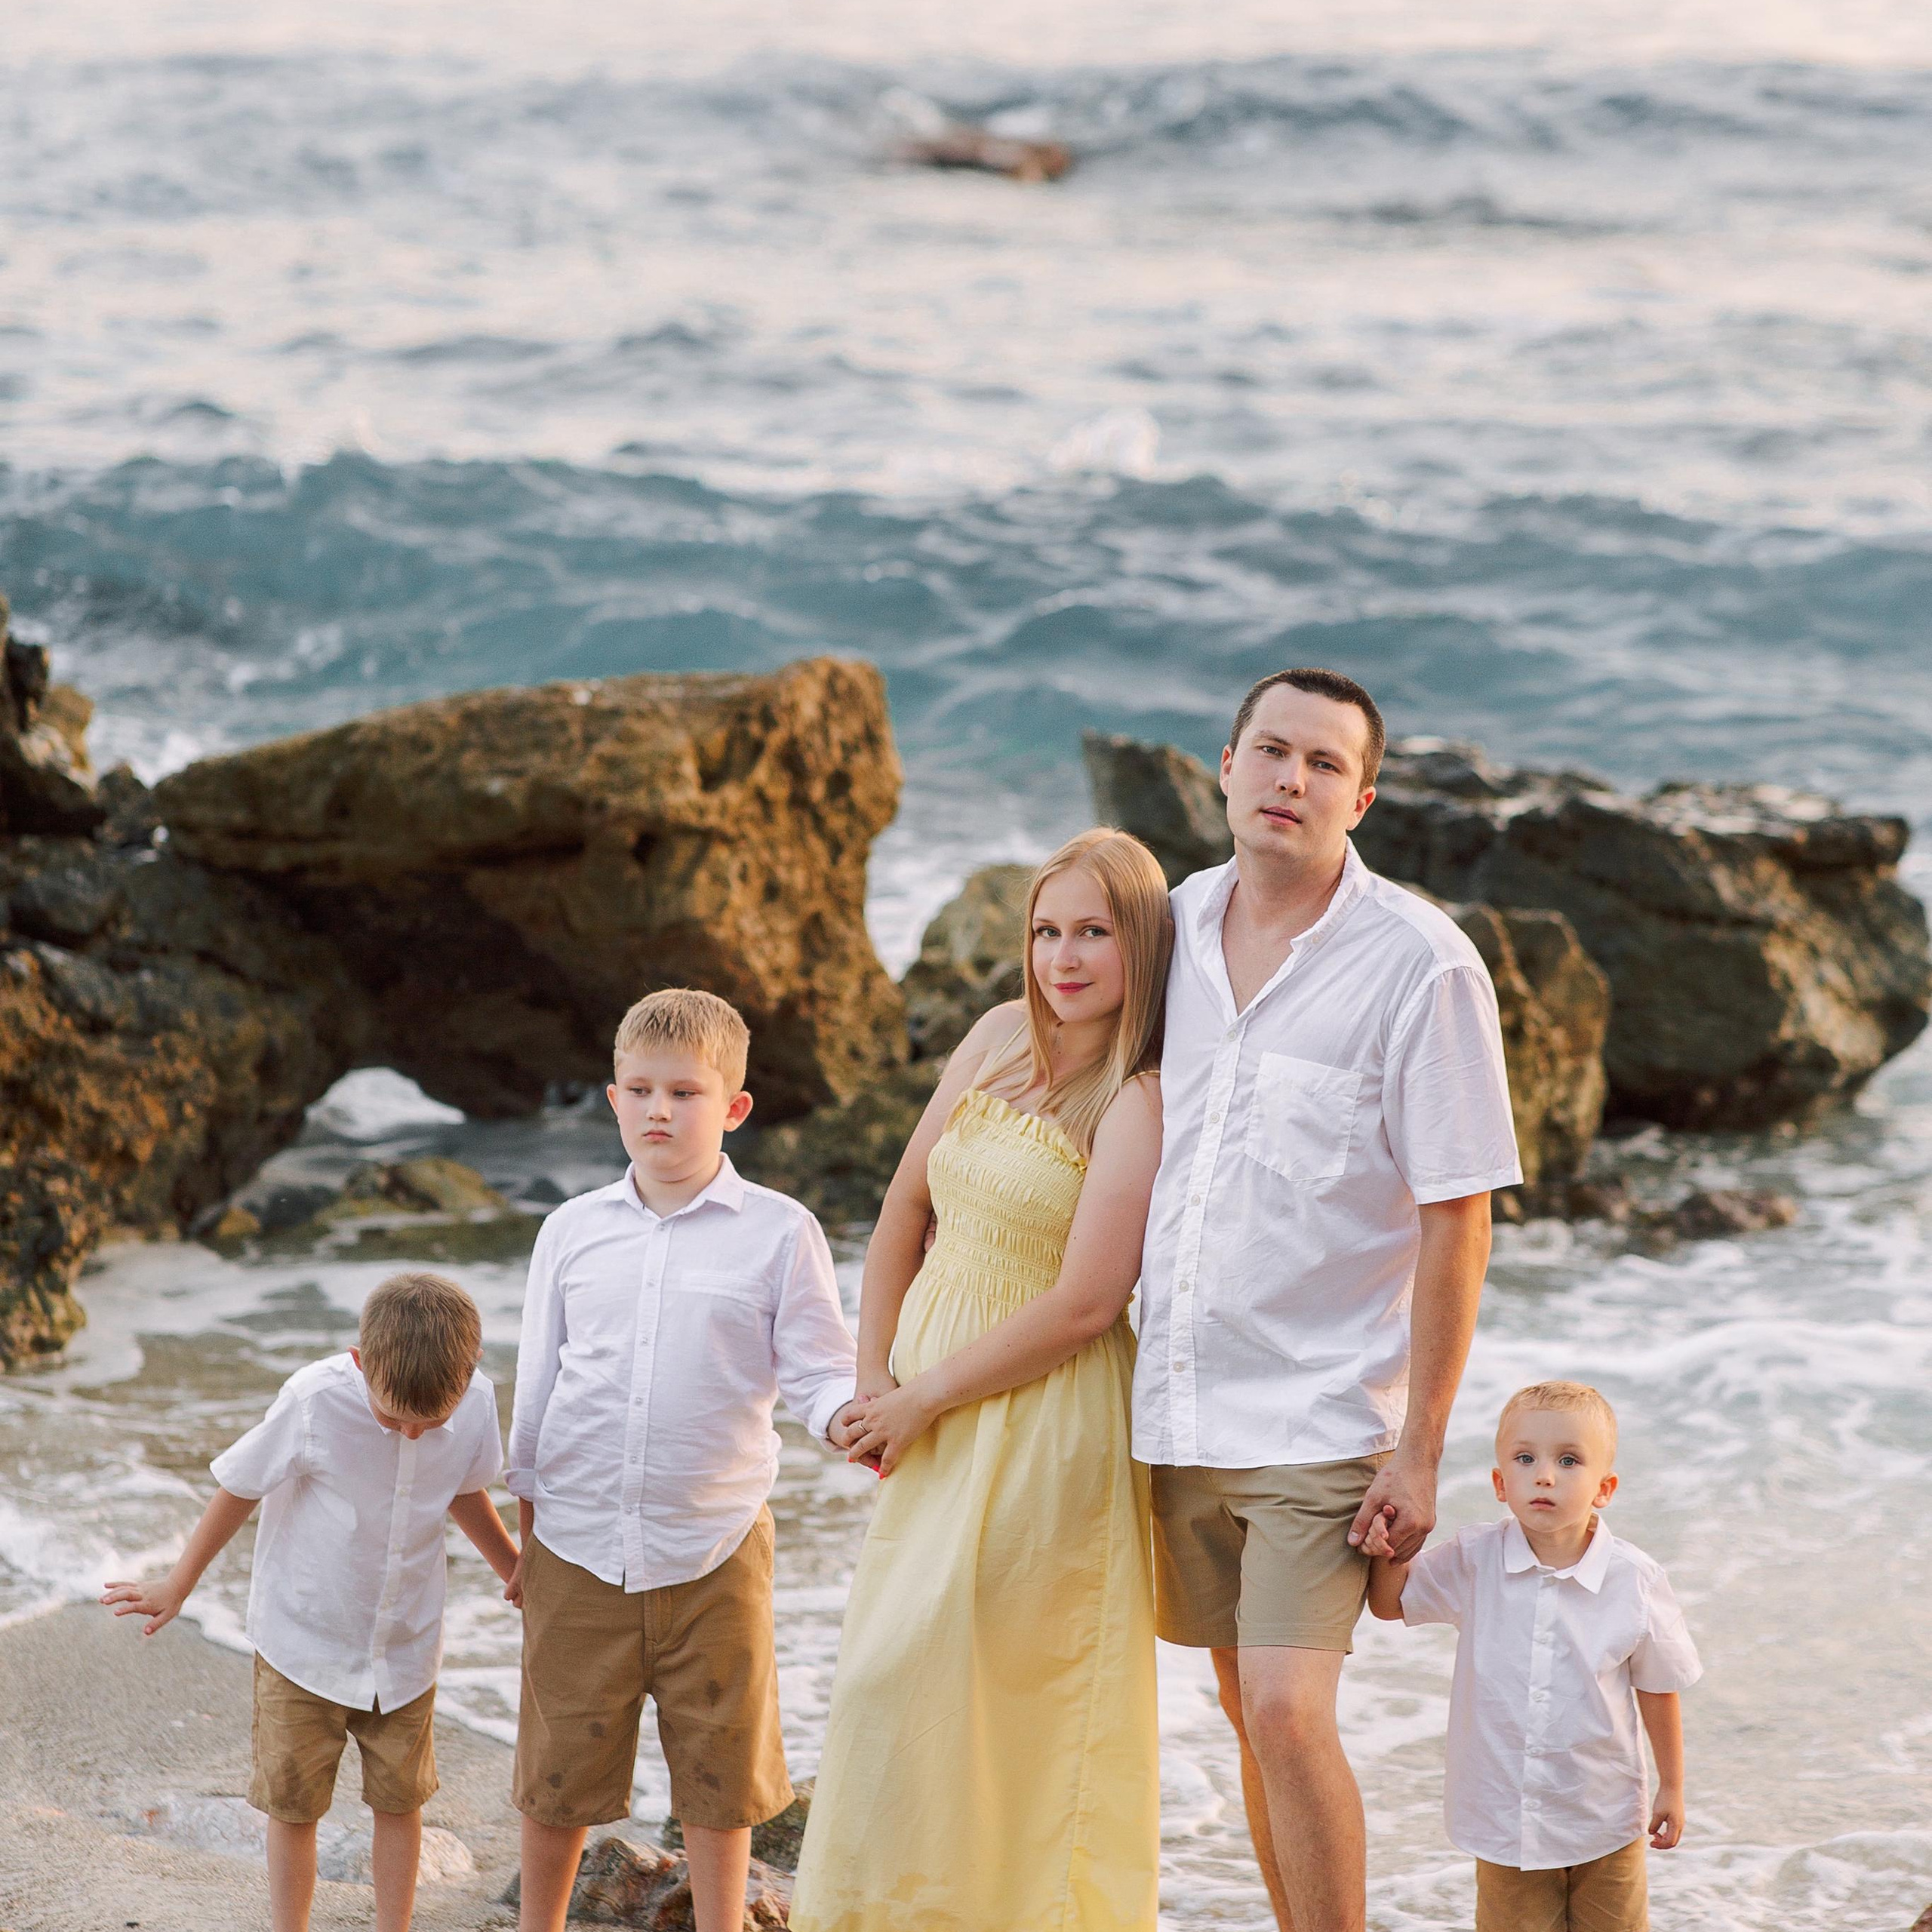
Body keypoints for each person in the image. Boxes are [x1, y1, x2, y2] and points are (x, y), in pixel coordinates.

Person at [1134, 667, 1522, 1932]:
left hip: (1321, 1417)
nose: (1291, 780)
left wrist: (1421, 1451)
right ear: (1226, 765)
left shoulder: (1422, 966)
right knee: (1246, 1708)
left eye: (1324, 764)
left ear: (1362, 798)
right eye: (1272, 751)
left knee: (1290, 1711)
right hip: (1176, 1407)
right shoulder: (1168, 930)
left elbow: (1458, 1216)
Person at [789, 828, 1174, 1932]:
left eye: (1094, 932)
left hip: (1043, 1422)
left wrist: (920, 1398)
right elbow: (902, 1210)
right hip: (928, 1415)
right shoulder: (998, 1034)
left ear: (1142, 944)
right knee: (903, 1691)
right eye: (1047, 931)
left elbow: (1087, 1304)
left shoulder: (1139, 1098)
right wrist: (872, 1384)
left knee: (1001, 1703)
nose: (1064, 957)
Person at [506, 987, 859, 1932]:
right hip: (576, 1543)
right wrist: (526, 1539)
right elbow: (537, 1393)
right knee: (556, 1774)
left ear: (733, 1107)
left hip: (717, 1544)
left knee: (721, 1771)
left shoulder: (779, 1231)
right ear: (613, 1099)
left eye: (685, 1093)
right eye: (640, 1090)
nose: (659, 1110)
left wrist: (849, 1422)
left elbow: (819, 1367)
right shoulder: (570, 1230)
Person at [101, 1270, 515, 1932]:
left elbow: (465, 1489)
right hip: (303, 1645)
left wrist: (514, 1569)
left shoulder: (478, 1402)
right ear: (360, 1362)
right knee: (294, 1808)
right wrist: (178, 1583)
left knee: (401, 1802)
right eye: (393, 1418)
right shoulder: (315, 1400)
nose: (412, 1434)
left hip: (406, 1650)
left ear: (471, 1372)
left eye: (430, 1422)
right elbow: (240, 1485)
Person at [1364, 1381, 1700, 1931]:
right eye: (1525, 1459)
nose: (1544, 1475)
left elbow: (1659, 1685)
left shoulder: (1634, 1579)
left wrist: (1673, 1787)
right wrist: (1389, 1548)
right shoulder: (1474, 1560)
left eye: (1569, 1461)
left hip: (1603, 1816)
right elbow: (1390, 1603)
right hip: (1506, 1820)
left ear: (1604, 1488)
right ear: (1501, 1483)